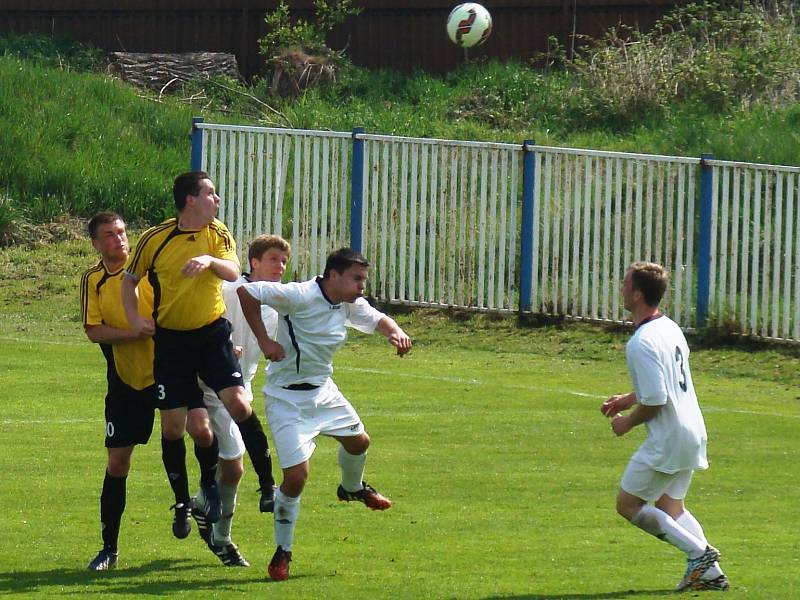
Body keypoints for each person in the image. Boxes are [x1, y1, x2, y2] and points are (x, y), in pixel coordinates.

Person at [237, 247, 413, 581]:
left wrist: (395, 332)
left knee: (359, 442)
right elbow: (247, 291)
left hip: (323, 392)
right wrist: (264, 340)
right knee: (296, 478)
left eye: (364, 279)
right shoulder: (299, 295)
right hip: (286, 399)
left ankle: (352, 487)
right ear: (333, 275)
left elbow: (377, 318)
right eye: (356, 279)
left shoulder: (347, 303)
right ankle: (283, 551)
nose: (362, 286)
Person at [122, 171, 276, 540]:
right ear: (190, 199)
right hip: (172, 343)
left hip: (211, 335)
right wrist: (134, 319)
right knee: (175, 428)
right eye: (211, 193)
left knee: (239, 404)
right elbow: (129, 280)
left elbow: (233, 269)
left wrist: (208, 260)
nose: (217, 199)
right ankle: (182, 502)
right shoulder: (155, 239)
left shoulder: (217, 232)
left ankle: (268, 486)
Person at [601, 262, 729, 592]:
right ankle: (710, 574)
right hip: (693, 432)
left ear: (638, 293)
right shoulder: (670, 328)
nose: (622, 288)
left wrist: (626, 422)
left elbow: (657, 399)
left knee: (627, 505)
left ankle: (699, 555)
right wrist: (628, 399)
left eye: (626, 284)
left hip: (669, 439)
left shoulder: (640, 342)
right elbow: (665, 385)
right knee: (670, 507)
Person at [191, 234, 291, 567]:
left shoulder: (276, 302)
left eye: (284, 261)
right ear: (254, 262)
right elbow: (202, 321)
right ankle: (221, 538)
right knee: (233, 464)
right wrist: (220, 348)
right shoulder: (228, 290)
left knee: (232, 468)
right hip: (212, 386)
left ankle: (203, 505)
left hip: (241, 386)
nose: (280, 267)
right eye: (274, 259)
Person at [80, 212, 157, 571]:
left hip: (168, 372)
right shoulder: (93, 280)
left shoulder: (150, 271)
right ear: (96, 244)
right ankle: (108, 548)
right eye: (109, 235)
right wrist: (133, 333)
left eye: (122, 232)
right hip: (125, 381)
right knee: (117, 461)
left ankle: (201, 510)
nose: (119, 239)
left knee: (197, 431)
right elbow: (94, 331)